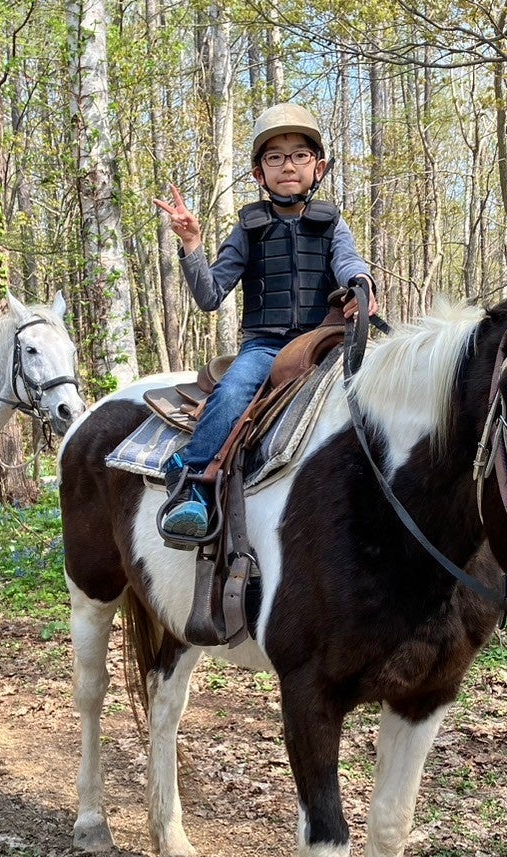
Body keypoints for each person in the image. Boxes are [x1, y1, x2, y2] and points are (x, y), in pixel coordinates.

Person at [152, 102, 378, 540]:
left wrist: (360, 283)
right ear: (259, 174)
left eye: (299, 155)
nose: (287, 166)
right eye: (274, 157)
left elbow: (349, 260)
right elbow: (210, 295)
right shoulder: (248, 228)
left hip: (326, 341)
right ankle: (192, 481)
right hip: (267, 345)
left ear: (320, 167)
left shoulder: (332, 223)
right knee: (234, 391)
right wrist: (193, 243)